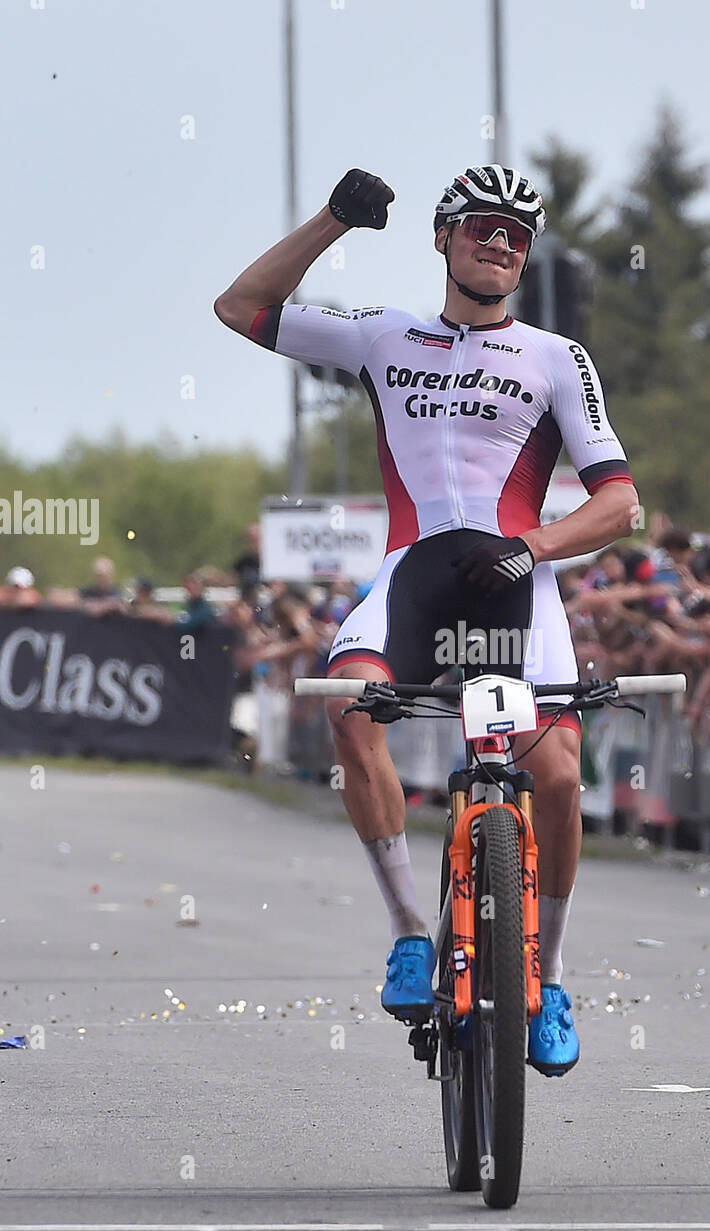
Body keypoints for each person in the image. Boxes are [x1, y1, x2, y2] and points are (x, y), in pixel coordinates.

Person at [215, 164, 639, 1076]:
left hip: (512, 582)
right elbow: (239, 306)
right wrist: (332, 221)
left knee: (557, 774)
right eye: (483, 226)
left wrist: (529, 547)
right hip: (413, 577)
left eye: (517, 235)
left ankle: (551, 975)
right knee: (349, 706)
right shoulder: (381, 335)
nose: (500, 243)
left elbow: (619, 507)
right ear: (442, 237)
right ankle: (411, 930)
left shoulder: (556, 356)